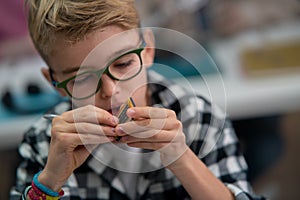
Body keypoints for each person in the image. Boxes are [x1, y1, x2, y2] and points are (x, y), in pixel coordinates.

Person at [10, 0, 265, 199]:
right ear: (54, 82)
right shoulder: (45, 142)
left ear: (148, 49)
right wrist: (50, 180)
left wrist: (183, 159)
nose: (109, 91)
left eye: (122, 64)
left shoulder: (200, 119)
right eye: (82, 78)